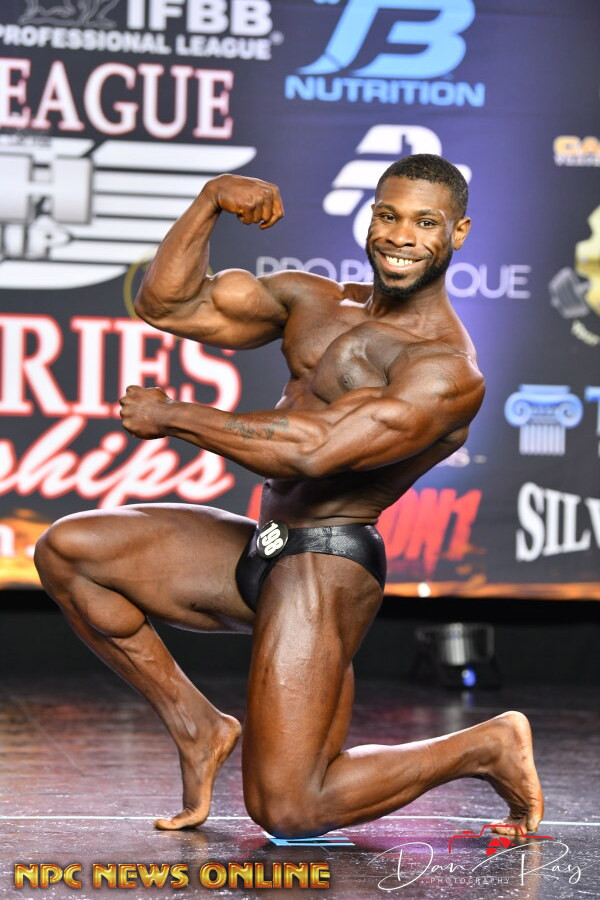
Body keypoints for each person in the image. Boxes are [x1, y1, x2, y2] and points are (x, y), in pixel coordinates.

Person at [34, 154, 544, 838]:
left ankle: (486, 745)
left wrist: (176, 416)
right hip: (264, 545)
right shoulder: (318, 301)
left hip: (325, 566)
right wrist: (209, 200)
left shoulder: (445, 369)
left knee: (289, 809)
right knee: (69, 551)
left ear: (458, 233)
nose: (400, 236)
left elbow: (315, 450)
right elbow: (168, 305)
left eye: (426, 223)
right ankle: (198, 727)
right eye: (388, 215)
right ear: (371, 216)